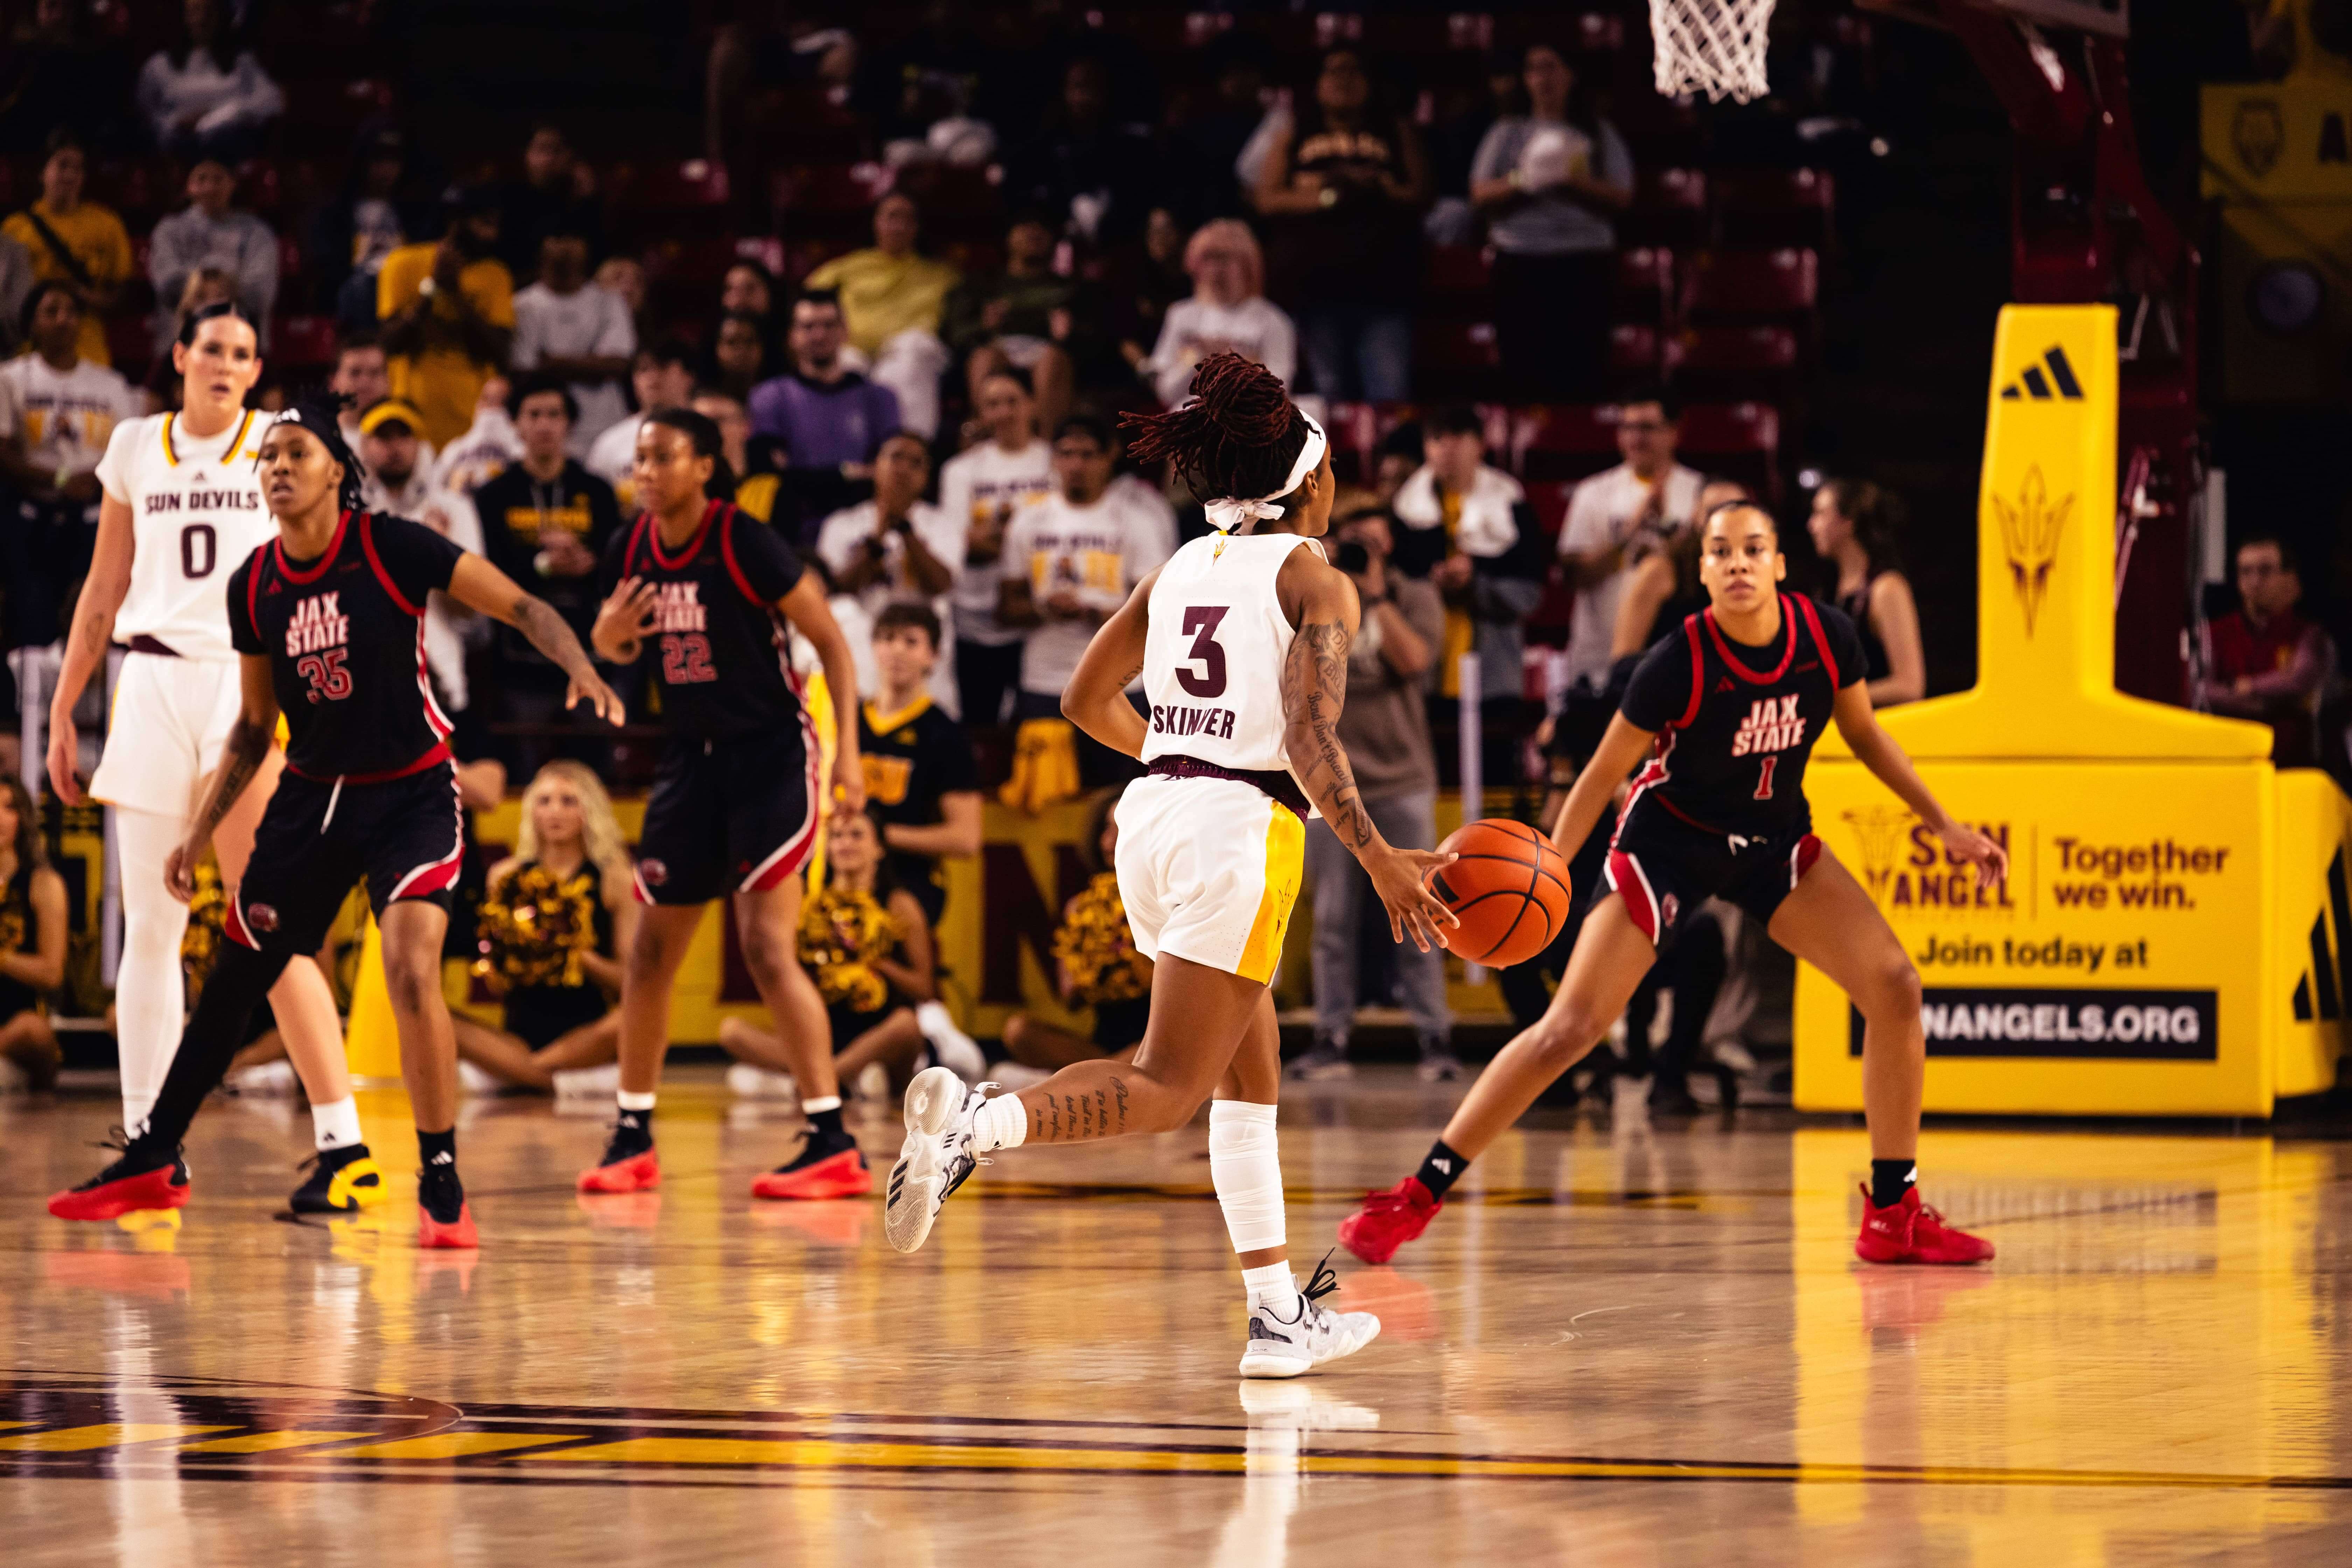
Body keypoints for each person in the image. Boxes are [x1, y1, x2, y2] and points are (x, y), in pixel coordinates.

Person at [884, 353, 1458, 1378]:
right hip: (1235, 831)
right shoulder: (1316, 576)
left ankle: (1277, 1312)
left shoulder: (1183, 564)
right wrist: (1374, 858)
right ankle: (979, 1124)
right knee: (1165, 1086)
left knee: (1251, 1071)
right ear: (1312, 482)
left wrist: (1188, 757)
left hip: (1152, 811)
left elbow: (1081, 699)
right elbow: (1314, 742)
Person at [1338, 501, 2004, 1270]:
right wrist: (1551, 864)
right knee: (1570, 1029)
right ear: (1704, 571)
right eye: (1722, 551)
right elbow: (1600, 775)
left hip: (1770, 841)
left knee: (1895, 985)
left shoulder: (1827, 635)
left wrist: (1945, 825)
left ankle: (1894, 1212)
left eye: (1755, 547)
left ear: (1781, 563)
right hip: (1669, 845)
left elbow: (1865, 735)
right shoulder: (1680, 660)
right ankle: (1416, 1194)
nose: (1739, 562)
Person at [48, 399, 626, 1246]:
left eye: (295, 453)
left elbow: (520, 607)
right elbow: (252, 727)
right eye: (268, 457)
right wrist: (200, 831)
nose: (276, 468)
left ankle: (439, 1179)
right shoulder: (253, 584)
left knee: (408, 963)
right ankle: (154, 1155)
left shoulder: (391, 546)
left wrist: (581, 665)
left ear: (336, 471)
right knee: (239, 968)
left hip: (414, 793)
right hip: (314, 797)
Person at [43, 302, 380, 1213]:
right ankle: (149, 1144)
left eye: (244, 353)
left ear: (257, 368)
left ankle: (343, 1142)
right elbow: (104, 586)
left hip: (248, 691)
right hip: (149, 687)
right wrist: (65, 709)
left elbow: (340, 565)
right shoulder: (136, 445)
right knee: (148, 931)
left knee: (267, 922)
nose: (227, 364)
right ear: (181, 355)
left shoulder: (283, 442)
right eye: (213, 350)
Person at [581, 406, 871, 1201]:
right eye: (639, 459)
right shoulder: (629, 547)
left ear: (705, 466)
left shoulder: (742, 539)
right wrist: (605, 640)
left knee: (768, 947)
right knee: (648, 954)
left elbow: (834, 645)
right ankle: (633, 1132)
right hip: (691, 759)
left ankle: (831, 1138)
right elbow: (616, 651)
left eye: (663, 457)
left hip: (775, 751)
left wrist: (848, 752)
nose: (645, 472)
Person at [1286, 509, 1457, 1083]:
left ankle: (1435, 1038)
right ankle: (1331, 1038)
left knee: (1420, 909)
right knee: (1332, 918)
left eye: (1370, 543)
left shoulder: (1415, 597)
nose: (1358, 552)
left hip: (1403, 777)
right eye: (1348, 541)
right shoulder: (1314, 597)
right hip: (1331, 783)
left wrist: (1376, 594)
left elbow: (1415, 661)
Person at [998, 413, 1178, 787]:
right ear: (1054, 459)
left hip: (1121, 685)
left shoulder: (1136, 521)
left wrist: (1093, 611)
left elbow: (1163, 612)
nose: (1076, 465)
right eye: (1066, 454)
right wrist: (1043, 609)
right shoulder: (1029, 521)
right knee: (1043, 798)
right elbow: (1005, 608)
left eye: (1087, 455)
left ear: (1109, 457)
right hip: (1043, 681)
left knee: (1117, 796)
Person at [720, 807, 943, 1099]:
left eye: (856, 835)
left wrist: (877, 963)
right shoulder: (809, 905)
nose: (845, 843)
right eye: (836, 836)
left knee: (907, 1026)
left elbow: (925, 988)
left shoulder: (900, 904)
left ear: (878, 848)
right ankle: (839, 1076)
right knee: (732, 1032)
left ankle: (821, 1081)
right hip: (822, 1033)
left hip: (880, 1032)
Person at [1252, 46, 1430, 402]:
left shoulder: (1395, 129)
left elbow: (1422, 194)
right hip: (1317, 289)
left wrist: (1376, 188)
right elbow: (1267, 198)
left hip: (1385, 288)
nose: (1344, 80)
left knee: (1389, 396)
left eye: (1353, 71)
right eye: (1334, 71)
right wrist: (1328, 195)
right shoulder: (1296, 129)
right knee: (1330, 400)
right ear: (1318, 85)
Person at [471, 376, 624, 777]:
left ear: (569, 424)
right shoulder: (493, 496)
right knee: (522, 774)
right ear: (516, 425)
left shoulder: (598, 491)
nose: (544, 425)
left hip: (591, 655)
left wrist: (589, 565)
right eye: (534, 415)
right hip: (520, 661)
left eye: (554, 415)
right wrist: (543, 565)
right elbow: (487, 571)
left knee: (596, 772)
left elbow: (619, 568)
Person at [451, 761, 634, 1092]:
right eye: (545, 801)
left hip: (586, 1038)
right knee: (437, 1017)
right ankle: (544, 1078)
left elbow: (630, 982)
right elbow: (496, 984)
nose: (555, 812)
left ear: (589, 811)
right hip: (517, 1038)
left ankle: (528, 1074)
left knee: (634, 1018)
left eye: (569, 801)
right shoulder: (505, 876)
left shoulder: (615, 879)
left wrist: (574, 954)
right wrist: (513, 955)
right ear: (531, 811)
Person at [1390, 403, 1546, 778]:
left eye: (1459, 438)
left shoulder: (1511, 503)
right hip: (1424, 677)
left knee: (1497, 786)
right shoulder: (1405, 509)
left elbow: (1530, 593)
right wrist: (1431, 586)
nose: (1448, 448)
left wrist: (1475, 584)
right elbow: (1389, 589)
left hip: (1494, 676)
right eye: (1437, 439)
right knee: (1433, 784)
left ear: (1480, 446)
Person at [1469, 42, 1633, 399]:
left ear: (1570, 76)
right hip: (1520, 259)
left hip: (1585, 259)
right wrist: (1524, 180)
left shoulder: (1597, 132)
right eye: (1535, 68)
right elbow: (1480, 193)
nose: (1544, 77)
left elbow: (1623, 197)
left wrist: (1572, 181)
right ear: (1525, 79)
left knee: (1582, 365)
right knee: (1523, 366)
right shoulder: (1507, 131)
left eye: (1552, 67)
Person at [0, 283, 136, 651]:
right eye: (52, 311)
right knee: (32, 611)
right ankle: (32, 700)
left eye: (72, 312)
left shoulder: (109, 384)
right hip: (31, 509)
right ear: (32, 324)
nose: (64, 319)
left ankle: (100, 698)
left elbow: (129, 450)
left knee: (97, 604)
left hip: (94, 509)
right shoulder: (11, 378)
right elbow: (4, 452)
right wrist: (61, 480)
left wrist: (90, 479)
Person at [1556, 390, 1704, 693]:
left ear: (1674, 432)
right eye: (1628, 428)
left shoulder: (1698, 492)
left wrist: (1665, 531)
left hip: (1681, 661)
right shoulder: (1593, 492)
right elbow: (1573, 576)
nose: (1637, 437)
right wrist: (1626, 537)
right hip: (1600, 658)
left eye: (1648, 428)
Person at [995, 794, 1150, 1081]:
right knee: (1019, 1031)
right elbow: (1070, 998)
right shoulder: (1081, 908)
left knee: (1172, 1042)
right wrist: (1099, 966)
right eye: (1106, 829)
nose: (1110, 841)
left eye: (1123, 829)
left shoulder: (1164, 902)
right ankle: (1110, 1077)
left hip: (1155, 1042)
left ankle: (1081, 1081)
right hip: (1101, 1045)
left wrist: (1139, 964)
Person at [357, 396, 485, 726]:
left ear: (420, 444)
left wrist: (435, 553)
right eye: (383, 437)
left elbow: (470, 610)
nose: (394, 447)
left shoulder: (454, 509)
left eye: (404, 435)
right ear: (364, 446)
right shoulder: (347, 518)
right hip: (365, 690)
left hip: (443, 684)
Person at [938, 366, 1055, 726]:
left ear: (1032, 404)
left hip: (1037, 622)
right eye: (992, 404)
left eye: (1012, 401)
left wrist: (995, 534)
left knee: (1029, 731)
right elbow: (962, 546)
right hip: (974, 619)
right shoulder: (960, 470)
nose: (1003, 412)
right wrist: (1029, 536)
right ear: (981, 412)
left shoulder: (1054, 464)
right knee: (980, 727)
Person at [855, 602, 982, 927]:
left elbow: (966, 839)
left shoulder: (945, 734)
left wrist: (879, 836)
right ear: (872, 646)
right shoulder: (848, 719)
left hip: (909, 881)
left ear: (934, 655)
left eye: (911, 641)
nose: (897, 650)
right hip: (844, 874)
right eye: (887, 638)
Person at [803, 192, 960, 439]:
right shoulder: (849, 266)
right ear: (876, 222)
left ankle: (910, 449)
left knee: (910, 353)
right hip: (856, 351)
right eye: (891, 217)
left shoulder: (941, 275)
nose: (899, 226)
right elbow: (808, 299)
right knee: (842, 366)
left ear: (917, 227)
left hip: (911, 355)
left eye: (908, 219)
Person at [748, 289, 901, 537]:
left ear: (845, 331)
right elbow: (772, 475)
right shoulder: (770, 396)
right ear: (792, 336)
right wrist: (848, 473)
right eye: (808, 327)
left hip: (864, 526)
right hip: (794, 526)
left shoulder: (881, 398)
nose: (819, 335)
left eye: (829, 325)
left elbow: (890, 470)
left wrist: (807, 474)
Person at [378, 190, 516, 449]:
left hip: (474, 423)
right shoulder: (402, 263)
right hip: (412, 419)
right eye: (484, 222)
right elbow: (390, 343)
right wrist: (432, 289)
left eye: (496, 224)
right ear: (457, 221)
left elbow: (501, 353)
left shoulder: (496, 275)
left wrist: (457, 296)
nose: (493, 233)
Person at [814, 431, 960, 661]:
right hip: (859, 645)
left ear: (926, 477)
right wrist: (878, 536)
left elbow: (941, 585)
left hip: (920, 649)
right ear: (875, 466)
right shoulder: (841, 524)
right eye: (896, 458)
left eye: (915, 463)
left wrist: (905, 529)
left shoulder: (943, 524)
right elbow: (835, 592)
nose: (903, 469)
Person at [943, 213, 1093, 434]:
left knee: (1053, 359)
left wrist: (1068, 334)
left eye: (1041, 231)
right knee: (984, 358)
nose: (1034, 235)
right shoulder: (982, 283)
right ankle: (984, 436)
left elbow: (1096, 337)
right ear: (1009, 238)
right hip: (997, 348)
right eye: (1025, 229)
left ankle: (1047, 443)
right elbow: (954, 333)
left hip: (1047, 351)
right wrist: (983, 326)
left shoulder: (1070, 288)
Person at [3, 130, 132, 368]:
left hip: (86, 342)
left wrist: (84, 296)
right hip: (25, 344)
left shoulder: (107, 224)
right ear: (43, 172)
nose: (70, 175)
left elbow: (122, 295)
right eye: (63, 166)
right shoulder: (14, 228)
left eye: (78, 169)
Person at [2197, 535, 2329, 767]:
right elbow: (2203, 693)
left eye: (2266, 571)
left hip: (2292, 767)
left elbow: (2298, 682)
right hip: (2229, 762)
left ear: (2289, 579)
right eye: (2245, 572)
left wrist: (2246, 687)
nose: (2255, 581)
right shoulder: (2213, 633)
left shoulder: (2309, 634)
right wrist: (2271, 703)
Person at [1140, 220, 1297, 410]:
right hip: (1186, 421)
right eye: (1207, 259)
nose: (1215, 270)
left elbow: (1281, 389)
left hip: (1247, 422)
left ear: (1247, 264)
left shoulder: (1272, 320)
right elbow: (1166, 390)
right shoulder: (1181, 315)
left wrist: (1233, 365)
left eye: (1224, 258)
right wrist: (1198, 358)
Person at [511, 231, 637, 456]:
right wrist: (590, 363)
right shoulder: (524, 304)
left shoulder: (609, 301)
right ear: (543, 249)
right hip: (548, 431)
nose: (565, 248)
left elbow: (618, 364)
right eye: (558, 239)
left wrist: (551, 362)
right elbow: (525, 372)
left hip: (605, 427)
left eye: (572, 238)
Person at [1808, 478, 1926, 708]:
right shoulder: (1830, 590)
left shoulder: (1887, 588)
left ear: (1848, 521)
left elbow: (1910, 686)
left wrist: (1830, 699)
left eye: (1820, 513)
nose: (1812, 525)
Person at [146, 159, 278, 356]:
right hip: (180, 348)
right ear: (189, 185)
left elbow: (259, 294)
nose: (209, 187)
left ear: (233, 183)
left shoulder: (258, 233)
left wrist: (202, 286)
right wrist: (223, 285)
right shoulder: (169, 230)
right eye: (201, 179)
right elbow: (167, 285)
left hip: (242, 349)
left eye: (218, 179)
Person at [307, 122, 432, 329]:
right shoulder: (337, 212)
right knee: (361, 286)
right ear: (362, 161)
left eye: (394, 160)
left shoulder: (415, 213)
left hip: (403, 294)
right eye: (379, 159)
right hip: (354, 297)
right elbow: (328, 269)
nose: (386, 169)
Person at [134, 0, 281, 160]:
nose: (202, 19)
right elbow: (144, 113)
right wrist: (175, 123)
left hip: (228, 152)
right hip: (176, 155)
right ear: (183, 15)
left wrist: (216, 117)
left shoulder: (242, 62)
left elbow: (273, 101)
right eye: (195, 11)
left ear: (221, 16)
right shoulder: (161, 65)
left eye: (209, 11)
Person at [0, 775, 68, 1094]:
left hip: (19, 1023)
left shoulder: (43, 884)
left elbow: (52, 973)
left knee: (32, 1030)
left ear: (23, 819)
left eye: (9, 808)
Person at [588, 338, 696, 510]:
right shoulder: (609, 444)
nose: (653, 377)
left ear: (689, 377)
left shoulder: (708, 432)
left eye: (663, 367)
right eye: (644, 369)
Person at [498, 123, 603, 285]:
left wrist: (587, 202)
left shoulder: (578, 201)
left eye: (557, 151)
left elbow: (595, 258)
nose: (550, 159)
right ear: (526, 154)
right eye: (543, 150)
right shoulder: (507, 199)